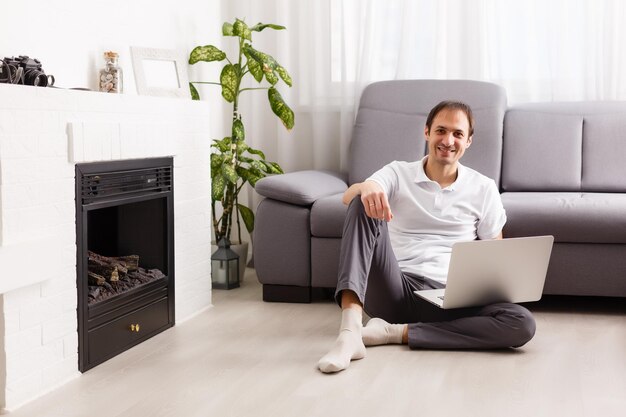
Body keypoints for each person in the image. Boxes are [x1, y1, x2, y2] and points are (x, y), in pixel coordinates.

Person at [317, 100, 536, 373]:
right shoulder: (398, 172)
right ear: (427, 132)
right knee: (362, 201)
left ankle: (395, 333)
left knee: (521, 323)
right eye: (441, 130)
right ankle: (350, 333)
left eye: (457, 134)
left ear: (468, 141)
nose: (448, 140)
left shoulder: (483, 187)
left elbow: (495, 252)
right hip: (395, 288)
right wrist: (367, 187)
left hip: (449, 297)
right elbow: (350, 197)